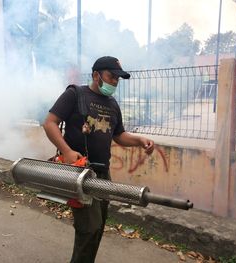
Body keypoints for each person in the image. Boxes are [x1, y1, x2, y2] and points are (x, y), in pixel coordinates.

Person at [43, 56, 155, 263]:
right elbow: (49, 123)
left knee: (99, 226)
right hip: (79, 172)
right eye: (111, 77)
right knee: (89, 228)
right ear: (96, 75)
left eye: (117, 79)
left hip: (103, 173)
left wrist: (140, 140)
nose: (114, 82)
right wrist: (66, 151)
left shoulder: (112, 104)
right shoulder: (74, 94)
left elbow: (119, 135)